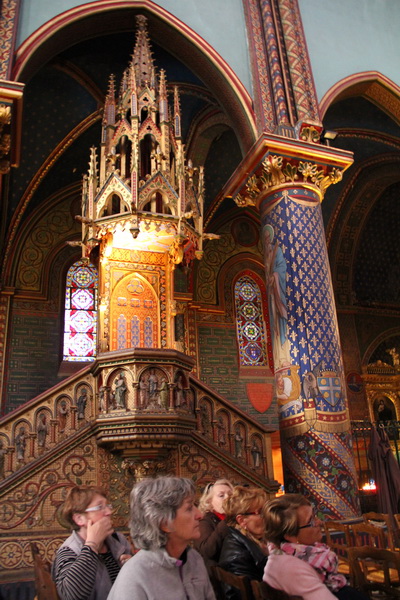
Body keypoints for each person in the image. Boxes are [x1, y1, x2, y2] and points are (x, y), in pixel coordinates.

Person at [107, 476, 215, 600]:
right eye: (189, 508)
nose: (200, 515)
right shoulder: (134, 575)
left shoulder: (194, 559)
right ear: (165, 523)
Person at [263, 494, 368, 600]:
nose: (319, 522)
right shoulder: (294, 568)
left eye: (315, 516)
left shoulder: (296, 556)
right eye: (311, 521)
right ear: (290, 535)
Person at [52, 485, 132, 600]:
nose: (109, 512)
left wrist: (131, 565)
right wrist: (92, 545)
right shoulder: (69, 551)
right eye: (100, 507)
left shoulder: (118, 539)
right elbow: (70, 596)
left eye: (108, 505)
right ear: (79, 519)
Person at [218, 486, 268, 600]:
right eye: (260, 512)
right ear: (241, 520)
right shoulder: (238, 554)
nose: (266, 516)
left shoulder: (251, 540)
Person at [193, 479, 234, 572]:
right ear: (209, 501)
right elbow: (207, 551)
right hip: (214, 574)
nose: (228, 498)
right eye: (221, 495)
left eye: (230, 494)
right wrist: (226, 522)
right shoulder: (204, 521)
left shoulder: (237, 519)